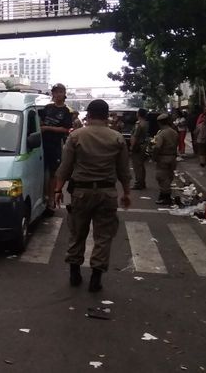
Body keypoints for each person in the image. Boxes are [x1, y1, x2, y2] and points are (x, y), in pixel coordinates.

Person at [54, 99, 131, 292]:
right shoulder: (117, 138)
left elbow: (65, 167)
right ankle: (96, 277)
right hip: (107, 193)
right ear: (106, 116)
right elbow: (123, 170)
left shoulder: (76, 136)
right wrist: (127, 192)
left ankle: (74, 273)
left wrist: (57, 190)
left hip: (81, 192)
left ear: (88, 115)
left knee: (77, 233)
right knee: (104, 236)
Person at [39, 83, 73, 209]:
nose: (58, 94)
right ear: (52, 94)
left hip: (55, 145)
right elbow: (39, 121)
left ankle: (51, 199)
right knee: (41, 172)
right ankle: (42, 196)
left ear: (64, 94)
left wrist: (47, 128)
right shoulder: (47, 108)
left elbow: (66, 129)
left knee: (54, 173)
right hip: (40, 144)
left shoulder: (66, 111)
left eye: (60, 92)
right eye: (55, 92)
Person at [152, 113, 179, 205]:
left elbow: (157, 147)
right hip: (173, 157)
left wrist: (154, 157)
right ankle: (165, 196)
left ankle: (165, 197)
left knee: (162, 177)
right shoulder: (174, 132)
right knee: (169, 176)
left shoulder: (162, 133)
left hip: (163, 157)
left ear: (159, 123)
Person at [130, 108, 149, 190]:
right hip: (143, 145)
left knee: (137, 166)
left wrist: (132, 147)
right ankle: (142, 182)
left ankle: (138, 183)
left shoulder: (139, 124)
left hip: (138, 146)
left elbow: (135, 136)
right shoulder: (146, 123)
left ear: (139, 114)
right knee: (141, 165)